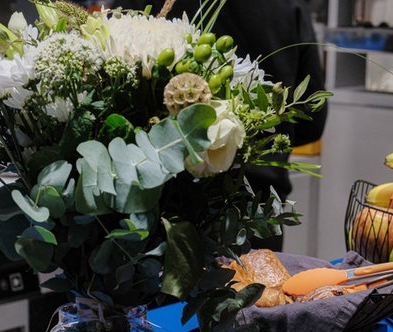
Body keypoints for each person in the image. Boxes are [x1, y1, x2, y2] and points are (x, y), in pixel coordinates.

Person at [119, 0, 328, 251]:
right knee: (256, 275)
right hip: (255, 207)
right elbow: (312, 123)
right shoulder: (288, 5)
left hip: (158, 203)